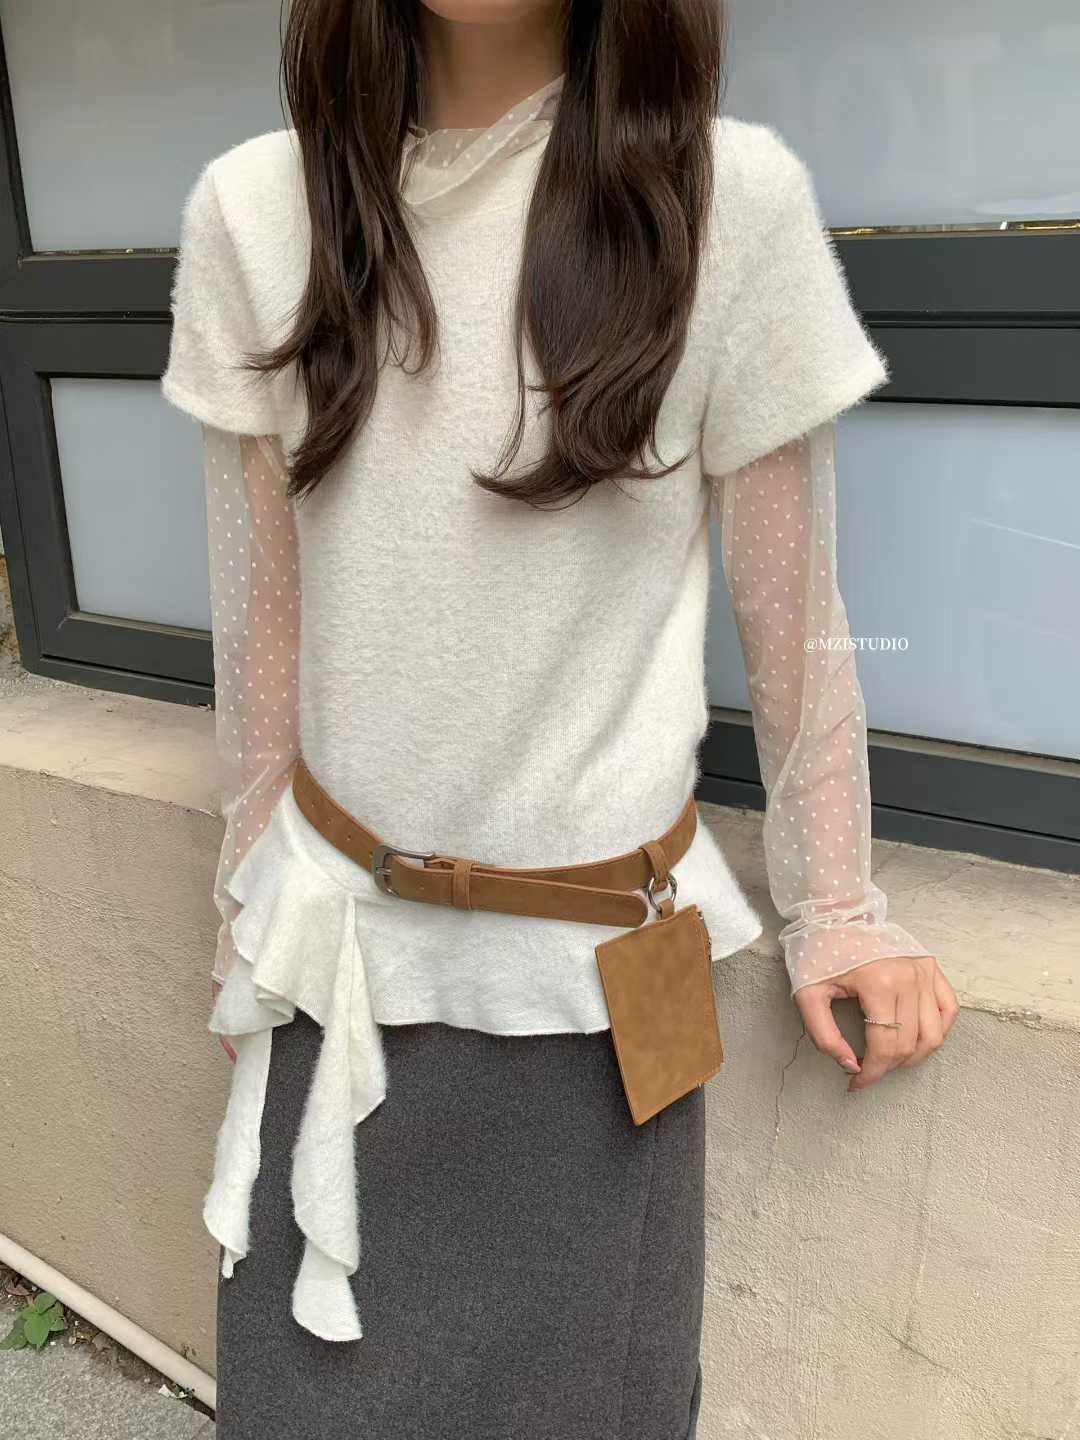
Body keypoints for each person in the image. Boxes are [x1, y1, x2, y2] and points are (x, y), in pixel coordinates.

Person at [161, 2, 959, 1436]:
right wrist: (243, 916)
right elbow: (262, 628)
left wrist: (837, 906)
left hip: (598, 993)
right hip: (335, 967)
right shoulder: (254, 211)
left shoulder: (730, 203)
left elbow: (796, 613)